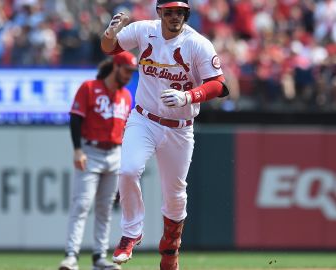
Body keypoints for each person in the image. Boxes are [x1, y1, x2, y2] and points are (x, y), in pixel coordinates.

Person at [100, 0, 229, 269]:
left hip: (180, 128)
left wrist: (188, 96)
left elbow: (218, 85)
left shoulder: (197, 44)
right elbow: (110, 49)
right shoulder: (143, 31)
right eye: (168, 11)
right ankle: (131, 232)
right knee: (127, 170)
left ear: (186, 14)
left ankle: (170, 250)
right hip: (144, 118)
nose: (174, 17)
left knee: (175, 194)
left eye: (179, 12)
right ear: (159, 13)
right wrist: (109, 34)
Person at [59, 51, 138, 270]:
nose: (129, 76)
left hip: (114, 153)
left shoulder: (126, 96)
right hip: (90, 151)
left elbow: (126, 130)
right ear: (116, 67)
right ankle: (71, 255)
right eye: (127, 70)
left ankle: (99, 257)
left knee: (105, 209)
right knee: (81, 204)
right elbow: (75, 119)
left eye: (132, 72)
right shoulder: (89, 88)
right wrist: (77, 150)